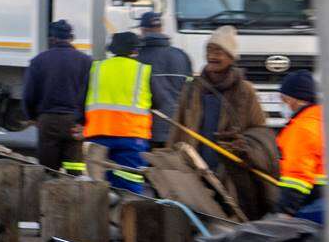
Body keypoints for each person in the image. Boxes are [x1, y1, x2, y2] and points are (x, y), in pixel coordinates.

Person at [172, 25, 275, 217]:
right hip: (194, 170)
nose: (213, 56)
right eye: (210, 50)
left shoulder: (245, 91)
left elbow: (260, 131)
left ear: (231, 56)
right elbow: (177, 128)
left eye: (219, 51)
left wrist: (244, 146)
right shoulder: (193, 88)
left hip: (228, 175)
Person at [84, 31, 153, 192]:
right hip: (132, 136)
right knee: (130, 186)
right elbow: (158, 101)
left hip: (98, 134)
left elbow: (83, 98)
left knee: (97, 188)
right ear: (135, 50)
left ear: (113, 49)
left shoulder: (97, 68)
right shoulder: (143, 70)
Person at [21, 19, 91, 173]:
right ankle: (75, 193)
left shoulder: (38, 61)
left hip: (48, 120)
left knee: (48, 170)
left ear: (51, 39)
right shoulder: (86, 61)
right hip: (75, 121)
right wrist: (83, 121)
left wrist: (32, 117)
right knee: (75, 170)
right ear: (71, 38)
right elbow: (90, 94)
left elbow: (28, 94)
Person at [135, 11, 192, 145]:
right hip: (178, 128)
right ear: (161, 29)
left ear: (142, 30)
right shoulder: (182, 56)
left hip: (147, 131)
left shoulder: (138, 59)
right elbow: (190, 92)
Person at [274, 69, 325, 217]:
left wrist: (283, 215)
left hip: (314, 207)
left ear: (294, 99)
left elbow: (296, 180)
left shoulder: (301, 129)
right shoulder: (323, 120)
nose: (282, 103)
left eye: (283, 99)